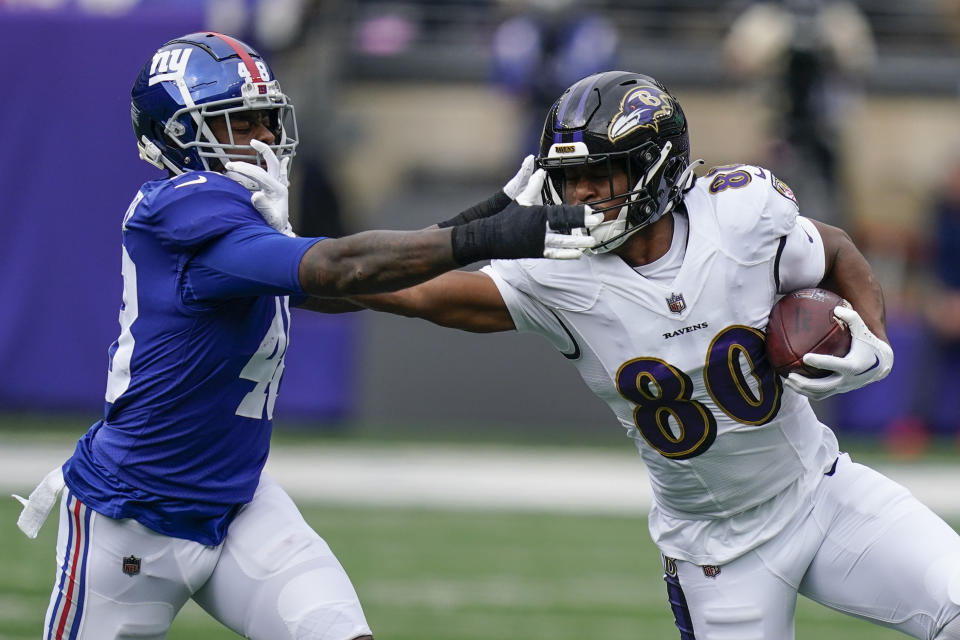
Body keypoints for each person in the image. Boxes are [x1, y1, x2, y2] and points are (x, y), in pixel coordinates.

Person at [13, 32, 600, 640]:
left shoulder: (239, 231)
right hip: (132, 516)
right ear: (176, 137)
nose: (265, 137)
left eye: (267, 119)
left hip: (238, 503)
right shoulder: (179, 210)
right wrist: (496, 237)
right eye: (239, 123)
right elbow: (341, 268)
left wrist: (484, 218)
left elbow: (357, 285)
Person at [344, 71, 960, 639]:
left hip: (823, 492)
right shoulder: (555, 278)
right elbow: (403, 289)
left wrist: (874, 341)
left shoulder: (740, 215)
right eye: (569, 178)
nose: (579, 196)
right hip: (716, 551)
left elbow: (834, 249)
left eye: (599, 175)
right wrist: (285, 268)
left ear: (653, 167)